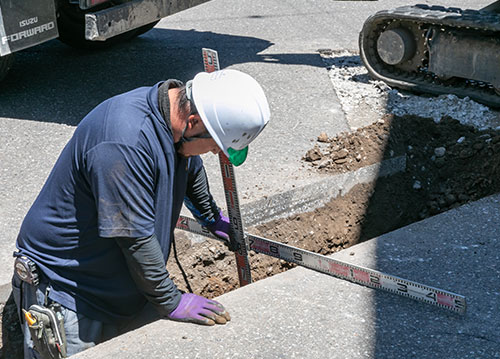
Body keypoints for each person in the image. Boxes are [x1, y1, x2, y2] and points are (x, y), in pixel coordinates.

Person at [12, 68, 270, 358]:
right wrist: (171, 301)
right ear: (194, 121)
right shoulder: (125, 142)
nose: (212, 153)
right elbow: (134, 237)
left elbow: (190, 165)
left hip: (120, 284)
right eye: (213, 145)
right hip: (70, 290)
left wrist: (210, 216)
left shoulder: (174, 121)